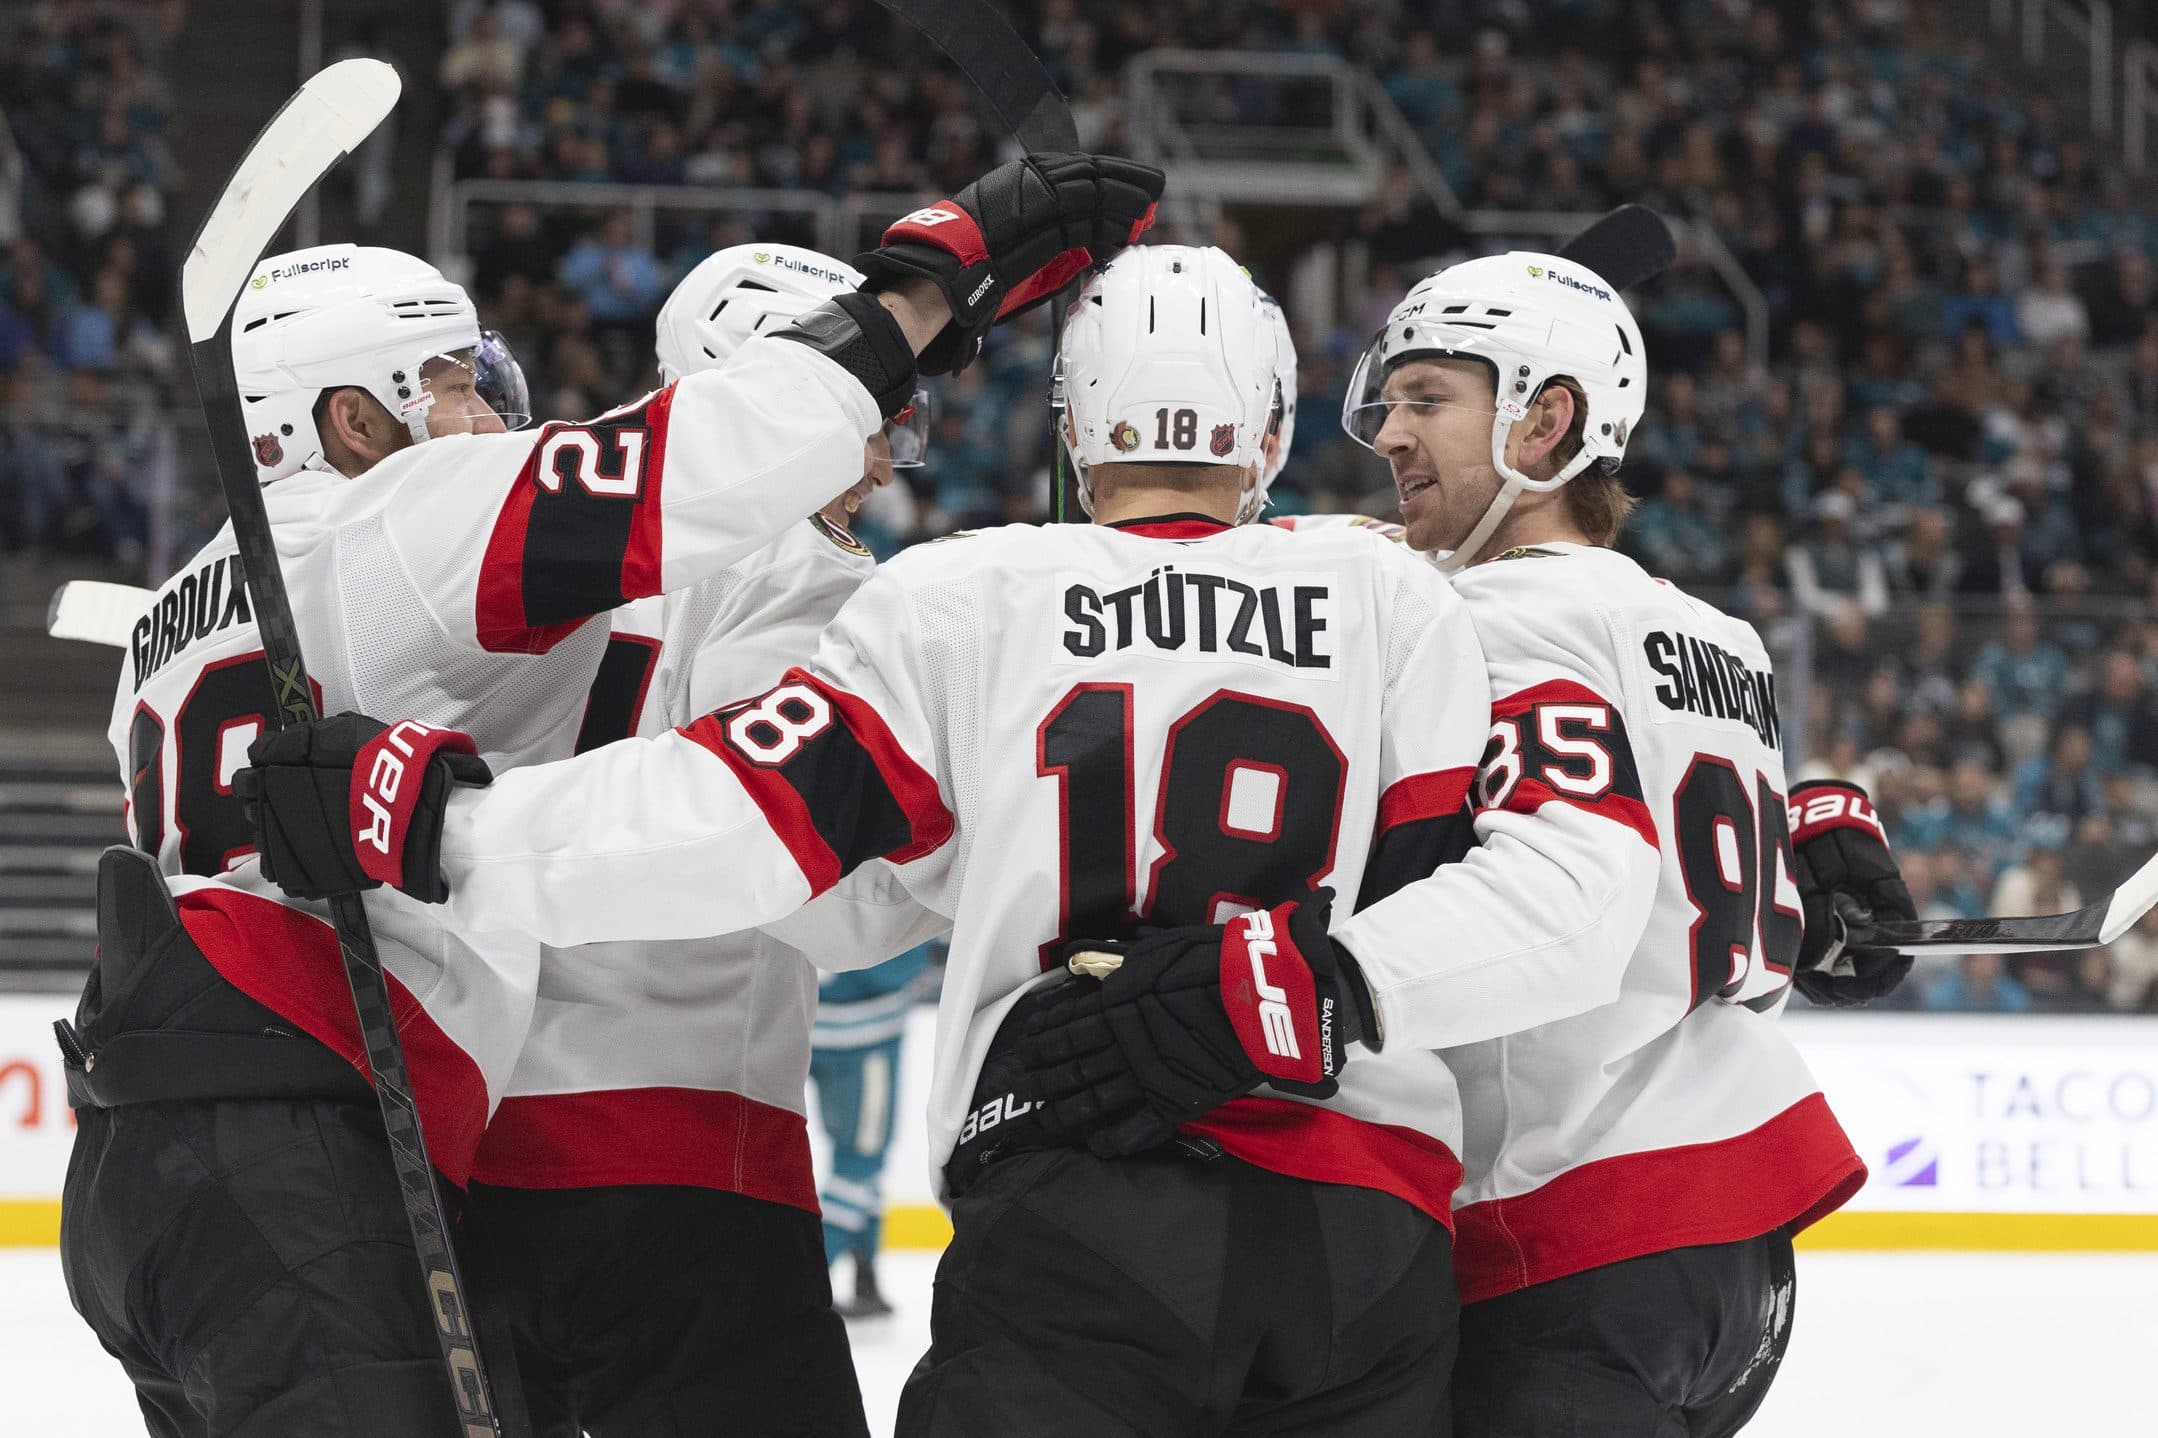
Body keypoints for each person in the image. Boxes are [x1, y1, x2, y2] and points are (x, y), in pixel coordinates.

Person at [243, 243, 1517, 1435]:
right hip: (1367, 1214)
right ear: (1277, 423)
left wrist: (443, 827)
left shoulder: (953, 593)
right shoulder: (1401, 593)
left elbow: (739, 823)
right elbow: (1501, 884)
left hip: (1064, 1192)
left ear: (1072, 426)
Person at [60, 149, 1159, 1438]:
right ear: (349, 420)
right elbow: (824, 872)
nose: (490, 419)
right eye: (453, 381)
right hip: (424, 1131)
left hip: (249, 1140)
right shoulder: (418, 530)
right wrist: (930, 277)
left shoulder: (176, 616)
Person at [1209, 249, 1913, 1434]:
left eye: (1428, 398)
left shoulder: (1481, 620)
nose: (1388, 433)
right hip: (1735, 1249)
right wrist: (1828, 817)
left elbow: (1557, 876)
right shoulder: (1715, 634)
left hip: (1570, 1236)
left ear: (1546, 422)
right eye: (1390, 401)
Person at [457, 242, 928, 1437]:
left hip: (462, 1165)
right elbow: (828, 900)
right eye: (865, 413)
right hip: (682, 1164)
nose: (880, 463)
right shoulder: (802, 582)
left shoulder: (514, 545)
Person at [810, 940, 935, 1319]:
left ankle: (866, 1273)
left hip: (812, 1028)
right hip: (863, 1044)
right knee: (860, 1164)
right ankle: (809, 1283)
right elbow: (896, 956)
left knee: (866, 1161)